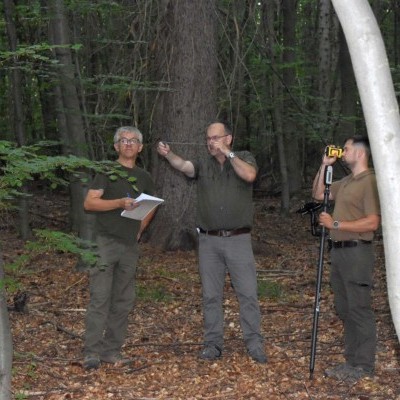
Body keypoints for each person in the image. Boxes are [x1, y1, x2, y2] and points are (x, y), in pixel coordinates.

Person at [157, 121, 267, 363]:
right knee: (211, 295)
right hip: (208, 241)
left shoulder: (243, 157)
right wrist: (169, 155)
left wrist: (228, 154)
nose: (210, 142)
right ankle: (213, 344)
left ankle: (254, 343)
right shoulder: (203, 163)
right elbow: (184, 166)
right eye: (208, 138)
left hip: (238, 239)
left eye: (215, 137)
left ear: (228, 138)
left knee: (247, 293)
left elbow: (250, 174)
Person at [82, 126, 156, 370]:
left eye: (133, 140)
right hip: (105, 242)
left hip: (128, 246)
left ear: (140, 147)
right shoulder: (107, 172)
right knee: (100, 298)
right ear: (116, 146)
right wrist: (118, 203)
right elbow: (90, 203)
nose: (128, 144)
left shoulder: (144, 176)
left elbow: (151, 205)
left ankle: (111, 351)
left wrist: (139, 230)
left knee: (123, 300)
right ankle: (91, 352)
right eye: (123, 140)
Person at [312, 135, 380, 381]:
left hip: (357, 251)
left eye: (347, 148)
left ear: (360, 153)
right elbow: (319, 194)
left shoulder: (370, 182)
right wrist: (325, 165)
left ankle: (364, 365)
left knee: (359, 307)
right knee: (344, 308)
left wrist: (336, 223)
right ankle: (352, 361)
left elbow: (373, 221)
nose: (342, 151)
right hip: (339, 251)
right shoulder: (348, 181)